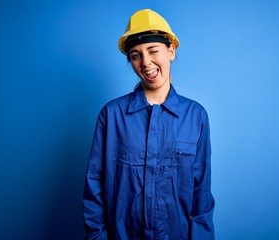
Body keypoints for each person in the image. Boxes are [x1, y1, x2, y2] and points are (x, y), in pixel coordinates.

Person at [83, 9, 215, 240]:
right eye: (135, 55)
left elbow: (201, 198)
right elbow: (94, 189)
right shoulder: (111, 116)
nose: (145, 63)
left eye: (153, 51)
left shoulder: (196, 117)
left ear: (171, 51)